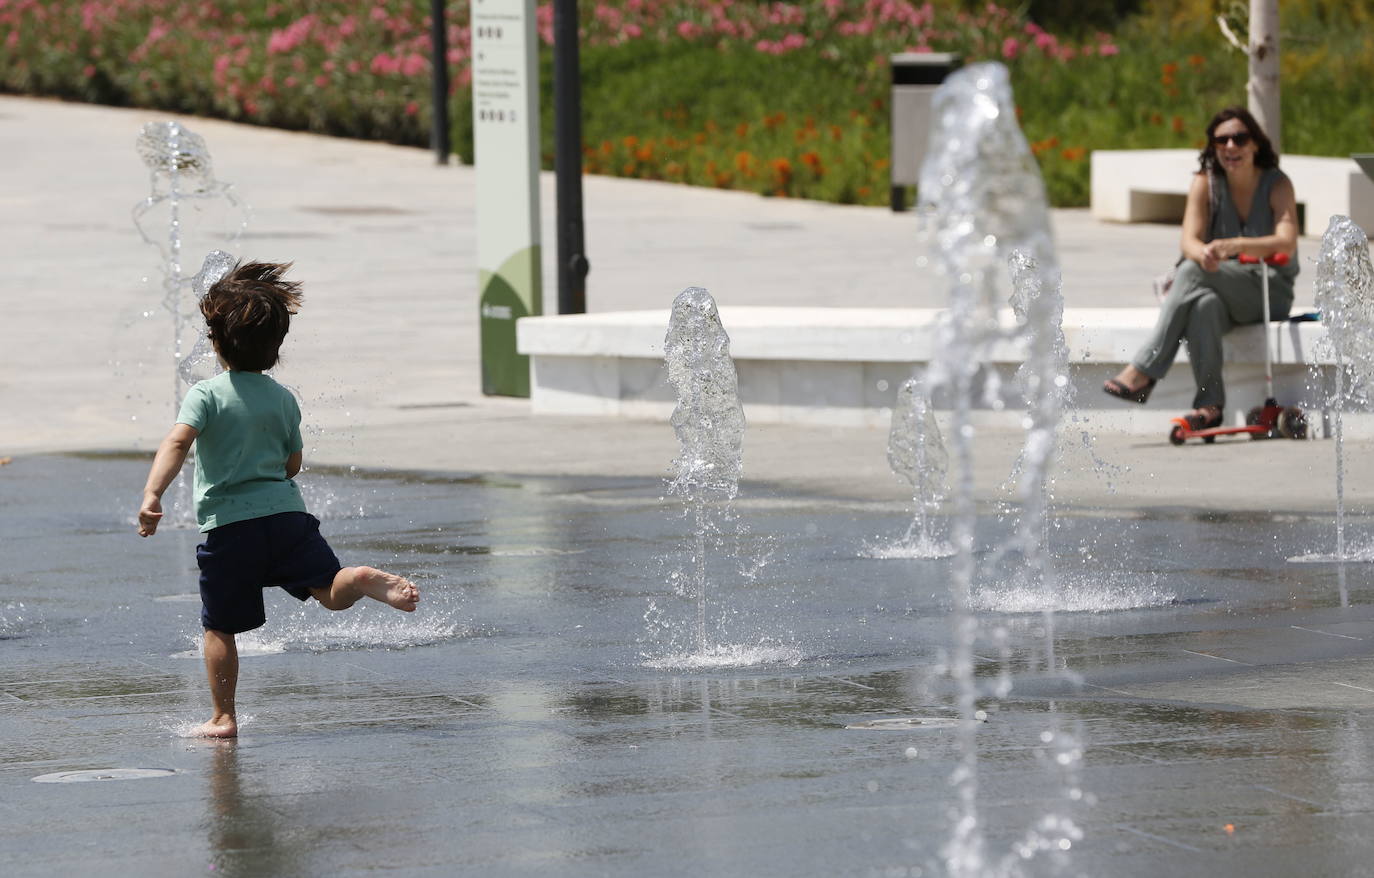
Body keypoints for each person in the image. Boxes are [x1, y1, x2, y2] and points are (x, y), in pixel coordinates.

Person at [137, 260, 420, 739]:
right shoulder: (284, 398)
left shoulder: (205, 395)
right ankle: (357, 578)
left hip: (231, 529)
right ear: (275, 348)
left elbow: (178, 443)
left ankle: (223, 717)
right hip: (289, 519)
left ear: (217, 342)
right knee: (330, 592)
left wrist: (152, 493)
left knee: (219, 627)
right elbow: (292, 465)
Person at [1103, 106, 1299, 428]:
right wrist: (1205, 253)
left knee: (1192, 272)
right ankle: (1209, 405)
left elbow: (1286, 242)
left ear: (1255, 144)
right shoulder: (1204, 182)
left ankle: (1144, 369)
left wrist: (1236, 246)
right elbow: (1188, 242)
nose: (1231, 146)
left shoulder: (1277, 183)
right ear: (1213, 146)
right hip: (1220, 285)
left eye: (1240, 138)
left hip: (1269, 290)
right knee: (1203, 305)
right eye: (1222, 140)